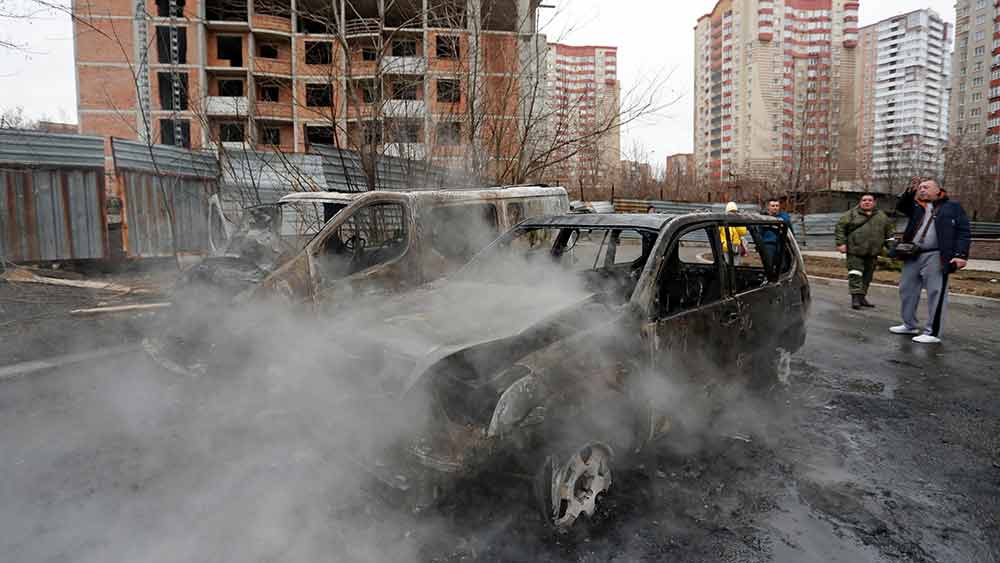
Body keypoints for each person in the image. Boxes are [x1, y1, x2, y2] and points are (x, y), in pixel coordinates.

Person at [889, 179, 971, 344]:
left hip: (937, 255)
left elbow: (964, 231)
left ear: (938, 190)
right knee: (906, 289)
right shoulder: (917, 206)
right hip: (912, 254)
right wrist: (909, 191)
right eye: (920, 188)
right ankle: (909, 324)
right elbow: (901, 206)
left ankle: (932, 332)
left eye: (926, 187)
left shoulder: (952, 207)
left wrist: (961, 255)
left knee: (936, 292)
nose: (922, 190)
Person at [834, 193, 895, 310]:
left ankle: (862, 297)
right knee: (855, 274)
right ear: (860, 202)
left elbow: (889, 234)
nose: (867, 202)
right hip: (855, 250)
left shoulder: (882, 216)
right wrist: (840, 243)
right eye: (864, 200)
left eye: (870, 200)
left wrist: (892, 249)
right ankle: (855, 298)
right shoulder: (851, 214)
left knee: (867, 276)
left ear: (874, 202)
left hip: (873, 252)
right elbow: (840, 228)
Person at [759, 199, 792, 263]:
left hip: (781, 245)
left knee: (782, 265)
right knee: (769, 265)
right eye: (773, 206)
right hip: (768, 245)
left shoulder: (783, 217)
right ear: (768, 207)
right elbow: (759, 232)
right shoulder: (763, 218)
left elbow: (790, 230)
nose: (775, 207)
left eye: (777, 206)